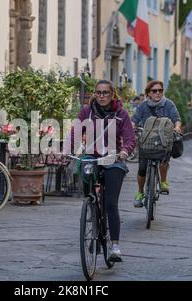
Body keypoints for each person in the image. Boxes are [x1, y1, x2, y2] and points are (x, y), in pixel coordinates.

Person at [66, 80, 136, 262]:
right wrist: (68, 148)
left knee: (111, 203)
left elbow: (130, 138)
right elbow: (74, 131)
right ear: (94, 94)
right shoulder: (86, 112)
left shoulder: (121, 114)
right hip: (92, 157)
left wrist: (124, 151)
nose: (102, 96)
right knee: (91, 197)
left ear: (112, 94)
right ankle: (94, 219)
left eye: (105, 93)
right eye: (98, 92)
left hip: (114, 160)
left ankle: (115, 246)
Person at [131, 80, 182, 208]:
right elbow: (134, 120)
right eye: (154, 91)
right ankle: (140, 192)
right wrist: (131, 128)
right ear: (148, 93)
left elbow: (176, 118)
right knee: (142, 168)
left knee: (164, 161)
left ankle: (163, 182)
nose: (158, 93)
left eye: (160, 90)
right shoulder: (142, 106)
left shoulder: (168, 104)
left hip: (163, 140)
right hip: (146, 141)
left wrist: (177, 127)